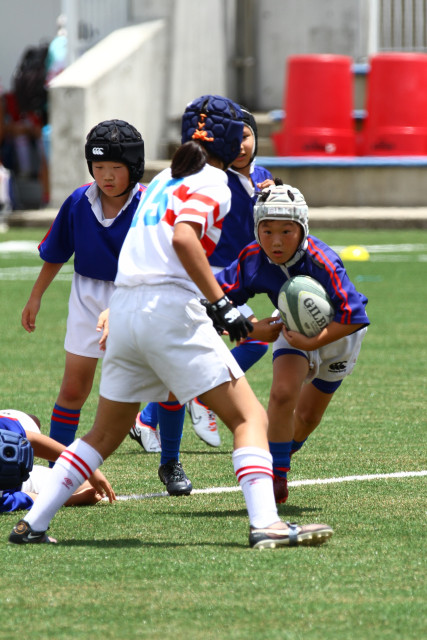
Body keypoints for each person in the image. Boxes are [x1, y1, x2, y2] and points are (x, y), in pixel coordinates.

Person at [9, 94, 333, 548]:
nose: (245, 140)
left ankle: (33, 522)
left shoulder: (163, 178)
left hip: (125, 310)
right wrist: (222, 306)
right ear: (226, 139)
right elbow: (184, 238)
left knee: (104, 432)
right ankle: (267, 523)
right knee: (249, 417)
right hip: (167, 310)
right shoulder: (214, 180)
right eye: (238, 132)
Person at [215, 182, 370, 503]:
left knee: (308, 418)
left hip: (339, 334)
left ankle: (283, 451)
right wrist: (250, 330)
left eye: (286, 231)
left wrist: (315, 341)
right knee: (283, 394)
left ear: (303, 228)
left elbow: (354, 316)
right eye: (267, 231)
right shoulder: (252, 258)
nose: (276, 241)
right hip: (291, 327)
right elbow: (214, 300)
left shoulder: (322, 260)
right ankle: (276, 476)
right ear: (256, 229)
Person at [132, 107, 276, 450]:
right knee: (235, 346)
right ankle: (198, 399)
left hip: (234, 279)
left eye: (246, 136)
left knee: (192, 358)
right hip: (206, 277)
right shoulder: (215, 179)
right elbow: (188, 234)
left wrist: (275, 196)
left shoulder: (262, 177)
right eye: (234, 138)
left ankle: (149, 420)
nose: (240, 146)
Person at [21, 119, 146, 457]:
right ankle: (57, 467)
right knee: (74, 389)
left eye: (116, 167)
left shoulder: (149, 205)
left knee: (163, 385)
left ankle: (170, 461)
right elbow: (57, 251)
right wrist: (35, 296)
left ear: (134, 166)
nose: (106, 176)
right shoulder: (79, 201)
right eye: (99, 166)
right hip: (87, 296)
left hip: (138, 294)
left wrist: (121, 306)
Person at [0, 409, 115, 513]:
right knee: (87, 486)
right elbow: (29, 498)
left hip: (10, 472)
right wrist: (76, 499)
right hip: (14, 483)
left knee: (31, 421)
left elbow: (31, 439)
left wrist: (83, 465)